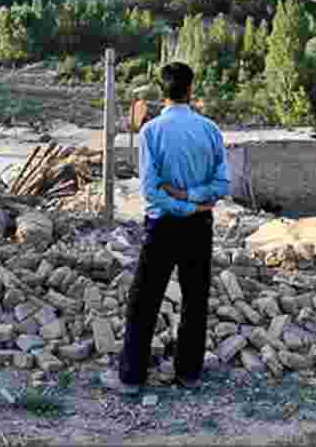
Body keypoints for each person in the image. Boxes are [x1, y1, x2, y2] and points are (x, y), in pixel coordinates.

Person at [101, 62, 231, 395]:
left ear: (163, 92)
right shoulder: (210, 130)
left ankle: (131, 378)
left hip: (162, 226)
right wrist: (194, 202)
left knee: (144, 300)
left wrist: (182, 198)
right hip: (199, 226)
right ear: (191, 89)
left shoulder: (151, 132)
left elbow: (151, 190)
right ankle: (189, 374)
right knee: (195, 298)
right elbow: (222, 184)